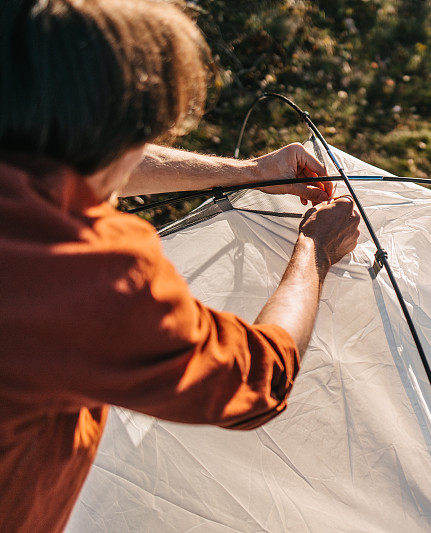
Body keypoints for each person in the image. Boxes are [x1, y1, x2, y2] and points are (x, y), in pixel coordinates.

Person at [0, 0, 360, 531]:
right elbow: (258, 377)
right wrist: (315, 251)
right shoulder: (86, 274)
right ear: (115, 134)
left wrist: (249, 173)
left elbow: (84, 160)